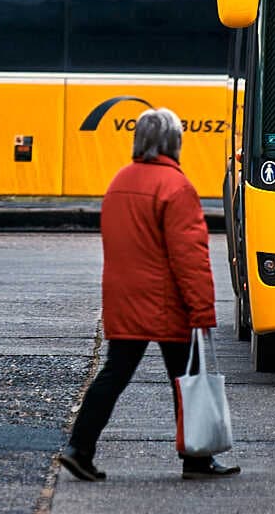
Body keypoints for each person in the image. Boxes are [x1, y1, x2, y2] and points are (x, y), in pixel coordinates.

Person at [58, 107, 240, 481]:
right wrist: (203, 309)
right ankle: (197, 458)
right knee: (187, 380)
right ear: (174, 143)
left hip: (125, 300)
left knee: (113, 374)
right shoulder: (176, 187)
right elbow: (190, 257)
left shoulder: (119, 181)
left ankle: (79, 448)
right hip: (167, 303)